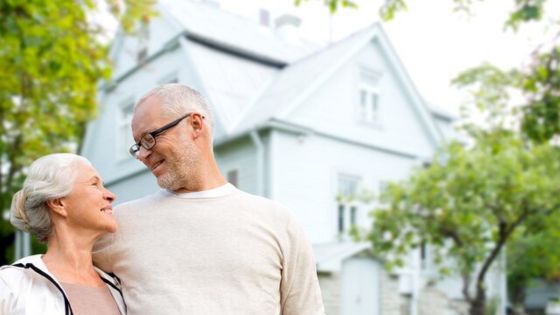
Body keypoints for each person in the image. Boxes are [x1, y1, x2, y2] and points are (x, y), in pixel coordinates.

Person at [93, 84, 325, 314]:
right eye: (138, 146)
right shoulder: (119, 223)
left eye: (149, 138)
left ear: (195, 124)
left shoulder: (278, 222)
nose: (142, 155)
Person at [0, 153, 126, 315]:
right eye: (94, 184)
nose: (110, 195)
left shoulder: (118, 289)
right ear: (58, 203)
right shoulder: (10, 285)